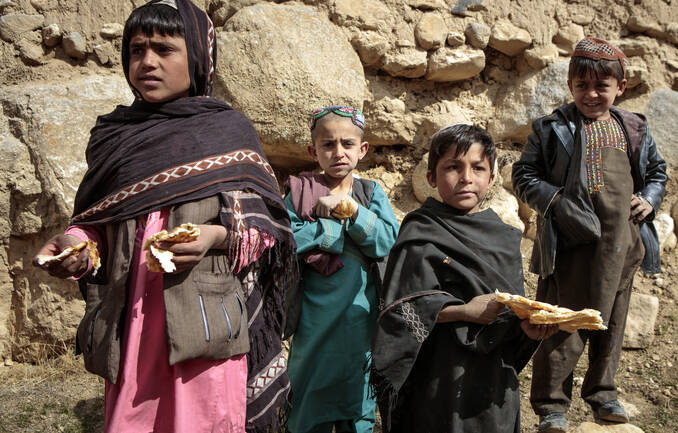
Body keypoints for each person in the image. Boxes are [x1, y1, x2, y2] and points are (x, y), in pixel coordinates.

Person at [33, 1, 297, 432]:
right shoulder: (113, 138)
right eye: (136, 50)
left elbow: (267, 230)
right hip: (133, 326)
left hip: (205, 331)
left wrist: (213, 236)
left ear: (196, 56)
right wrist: (78, 246)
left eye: (164, 49)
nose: (147, 62)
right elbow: (99, 221)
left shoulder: (227, 133)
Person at [511, 37, 668, 433]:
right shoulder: (552, 129)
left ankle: (603, 394)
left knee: (611, 322)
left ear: (621, 87)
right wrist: (555, 200)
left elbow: (657, 174)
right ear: (570, 85)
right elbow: (523, 175)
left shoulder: (633, 128)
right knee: (561, 323)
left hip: (622, 243)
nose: (592, 94)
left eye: (602, 86)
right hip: (569, 246)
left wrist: (649, 198)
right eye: (582, 85)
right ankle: (551, 406)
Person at [371, 124, 558, 433]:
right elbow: (398, 311)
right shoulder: (420, 233)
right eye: (452, 167)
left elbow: (512, 314)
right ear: (431, 177)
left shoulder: (503, 238)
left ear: (492, 177)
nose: (466, 177)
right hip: (437, 381)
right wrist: (463, 311)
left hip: (494, 383)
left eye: (478, 168)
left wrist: (529, 329)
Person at [283, 106, 399, 433]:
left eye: (347, 144)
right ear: (312, 151)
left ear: (362, 150)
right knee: (308, 395)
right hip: (313, 320)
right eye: (328, 145)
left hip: (359, 318)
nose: (338, 153)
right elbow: (285, 239)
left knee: (357, 399)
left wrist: (350, 212)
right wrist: (329, 230)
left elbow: (388, 241)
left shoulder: (371, 193)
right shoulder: (299, 193)